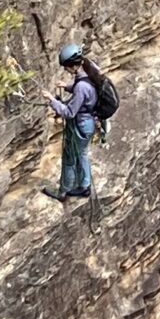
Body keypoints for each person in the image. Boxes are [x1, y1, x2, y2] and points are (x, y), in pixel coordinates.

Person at [44, 43, 98, 202]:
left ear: (72, 66)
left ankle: (63, 191)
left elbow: (69, 112)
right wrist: (66, 87)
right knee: (82, 154)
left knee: (69, 157)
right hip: (88, 123)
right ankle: (85, 186)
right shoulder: (88, 73)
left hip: (80, 126)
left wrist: (52, 100)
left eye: (66, 67)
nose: (66, 70)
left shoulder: (81, 86)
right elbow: (84, 91)